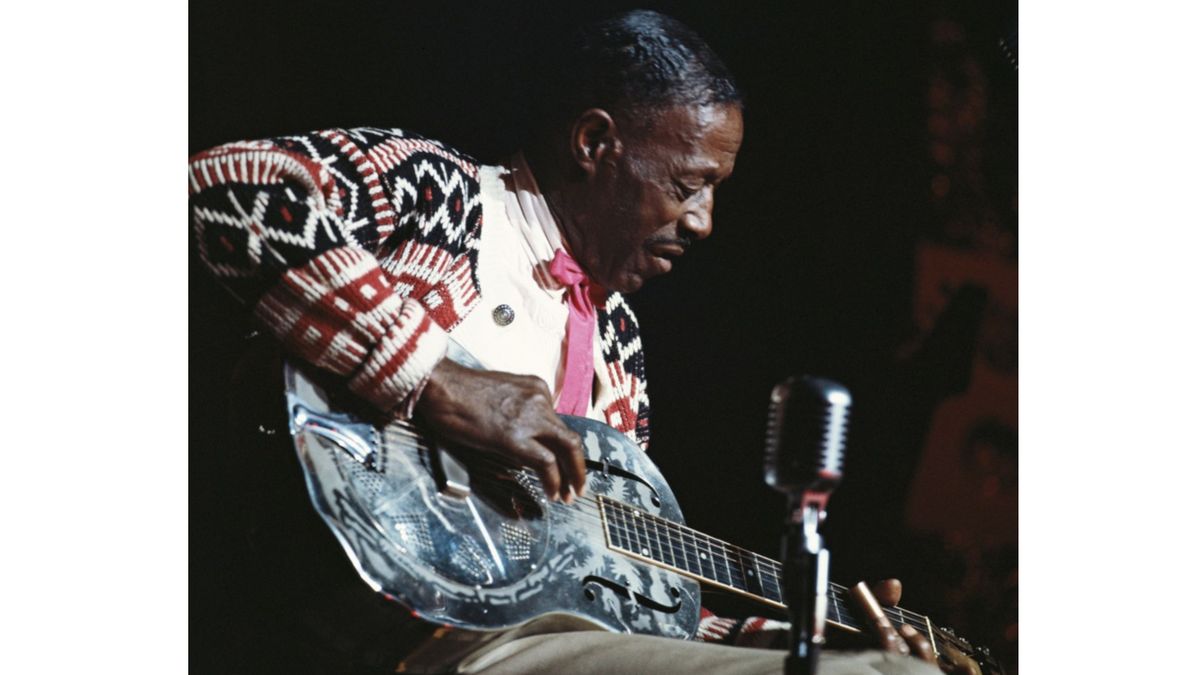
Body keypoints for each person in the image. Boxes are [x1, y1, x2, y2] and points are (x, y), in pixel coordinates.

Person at [190, 9, 956, 675]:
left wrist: (800, 637)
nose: (704, 221)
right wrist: (432, 377)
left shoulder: (618, 341)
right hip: (403, 631)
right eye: (689, 184)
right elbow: (225, 187)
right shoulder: (447, 198)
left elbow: (613, 593)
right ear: (595, 141)